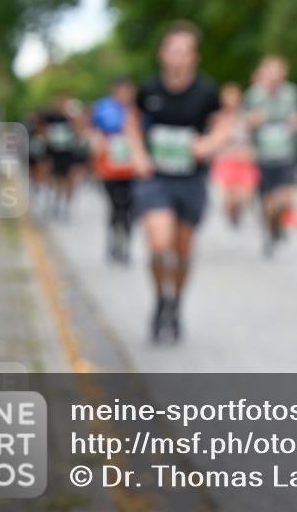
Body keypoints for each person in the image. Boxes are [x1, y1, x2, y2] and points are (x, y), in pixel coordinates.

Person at [125, 21, 220, 341]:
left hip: (191, 180)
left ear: (195, 57)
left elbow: (224, 125)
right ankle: (159, 299)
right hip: (157, 178)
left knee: (181, 252)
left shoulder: (206, 91)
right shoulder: (149, 89)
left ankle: (176, 303)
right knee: (158, 243)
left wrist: (209, 143)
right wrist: (139, 154)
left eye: (185, 51)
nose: (178, 57)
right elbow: (132, 124)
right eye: (173, 50)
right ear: (162, 54)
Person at [245, 55, 297, 258]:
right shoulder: (254, 95)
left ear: (284, 73)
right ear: (263, 72)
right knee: (268, 203)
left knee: (285, 200)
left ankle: (277, 225)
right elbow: (244, 122)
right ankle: (270, 231)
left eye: (278, 71)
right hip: (263, 156)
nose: (274, 75)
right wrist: (253, 121)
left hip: (286, 153)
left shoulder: (292, 93)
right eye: (270, 70)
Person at [92, 77, 137, 264]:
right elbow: (94, 132)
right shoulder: (102, 108)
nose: (125, 95)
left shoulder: (137, 109)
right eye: (122, 91)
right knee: (115, 207)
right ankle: (113, 242)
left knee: (129, 210)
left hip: (133, 170)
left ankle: (125, 245)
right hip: (110, 168)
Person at [209, 82, 259, 229]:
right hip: (226, 160)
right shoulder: (217, 118)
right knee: (229, 196)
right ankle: (231, 213)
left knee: (246, 195)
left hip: (244, 160)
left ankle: (237, 211)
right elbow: (213, 140)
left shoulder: (247, 117)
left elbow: (256, 136)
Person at [40, 92, 79, 219]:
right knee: (54, 178)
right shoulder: (50, 117)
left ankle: (66, 206)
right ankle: (53, 201)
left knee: (69, 178)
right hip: (54, 152)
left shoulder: (71, 117)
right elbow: (43, 131)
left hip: (68, 152)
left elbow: (79, 130)